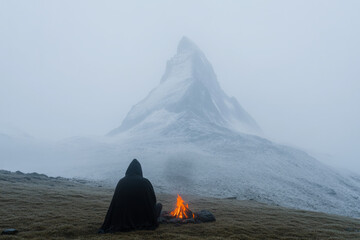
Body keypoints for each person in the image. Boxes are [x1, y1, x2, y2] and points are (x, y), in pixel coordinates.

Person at [99, 159, 162, 233]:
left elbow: (114, 204)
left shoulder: (122, 182)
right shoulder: (145, 182)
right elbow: (152, 201)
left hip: (123, 218)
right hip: (142, 218)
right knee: (159, 206)